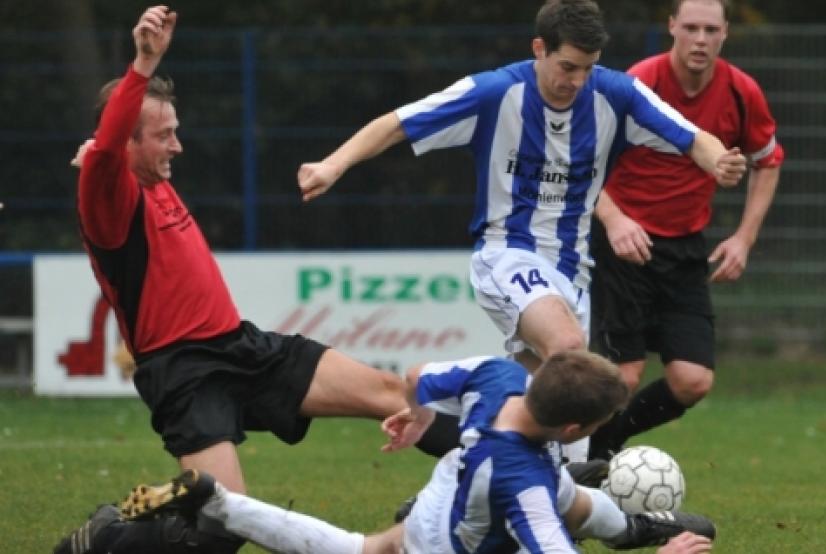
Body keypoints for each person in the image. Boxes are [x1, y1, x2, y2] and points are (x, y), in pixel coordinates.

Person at [298, 0, 745, 463]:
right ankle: (433, 378)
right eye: (567, 66)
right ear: (539, 49)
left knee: (555, 437)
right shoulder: (493, 93)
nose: (575, 81)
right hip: (506, 255)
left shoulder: (616, 95)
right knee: (570, 353)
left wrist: (718, 161)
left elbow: (692, 137)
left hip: (574, 272)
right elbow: (396, 124)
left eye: (587, 69)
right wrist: (334, 164)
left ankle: (473, 461)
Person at [60, 6, 407, 552]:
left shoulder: (148, 173)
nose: (178, 145)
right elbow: (105, 151)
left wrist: (109, 142)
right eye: (165, 135)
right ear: (126, 143)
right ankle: (110, 536)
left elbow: (108, 147)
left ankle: (515, 484)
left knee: (397, 393)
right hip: (183, 371)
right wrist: (144, 63)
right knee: (222, 532)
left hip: (241, 346)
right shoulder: (110, 198)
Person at [58, 351, 715, 554]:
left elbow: (428, 373)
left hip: (457, 476)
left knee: (574, 500)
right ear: (572, 427)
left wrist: (419, 407)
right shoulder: (523, 483)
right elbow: (549, 536)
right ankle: (645, 535)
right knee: (362, 551)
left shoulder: (502, 377)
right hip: (453, 526)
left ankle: (214, 500)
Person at [587, 0, 784, 461]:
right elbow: (582, 161)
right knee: (624, 376)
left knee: (693, 380)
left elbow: (768, 163)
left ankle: (607, 442)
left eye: (710, 29)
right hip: (624, 242)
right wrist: (614, 219)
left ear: (726, 33)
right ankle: (582, 460)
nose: (700, 39)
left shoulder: (741, 92)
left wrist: (744, 238)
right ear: (671, 26)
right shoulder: (639, 84)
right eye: (691, 27)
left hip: (684, 247)